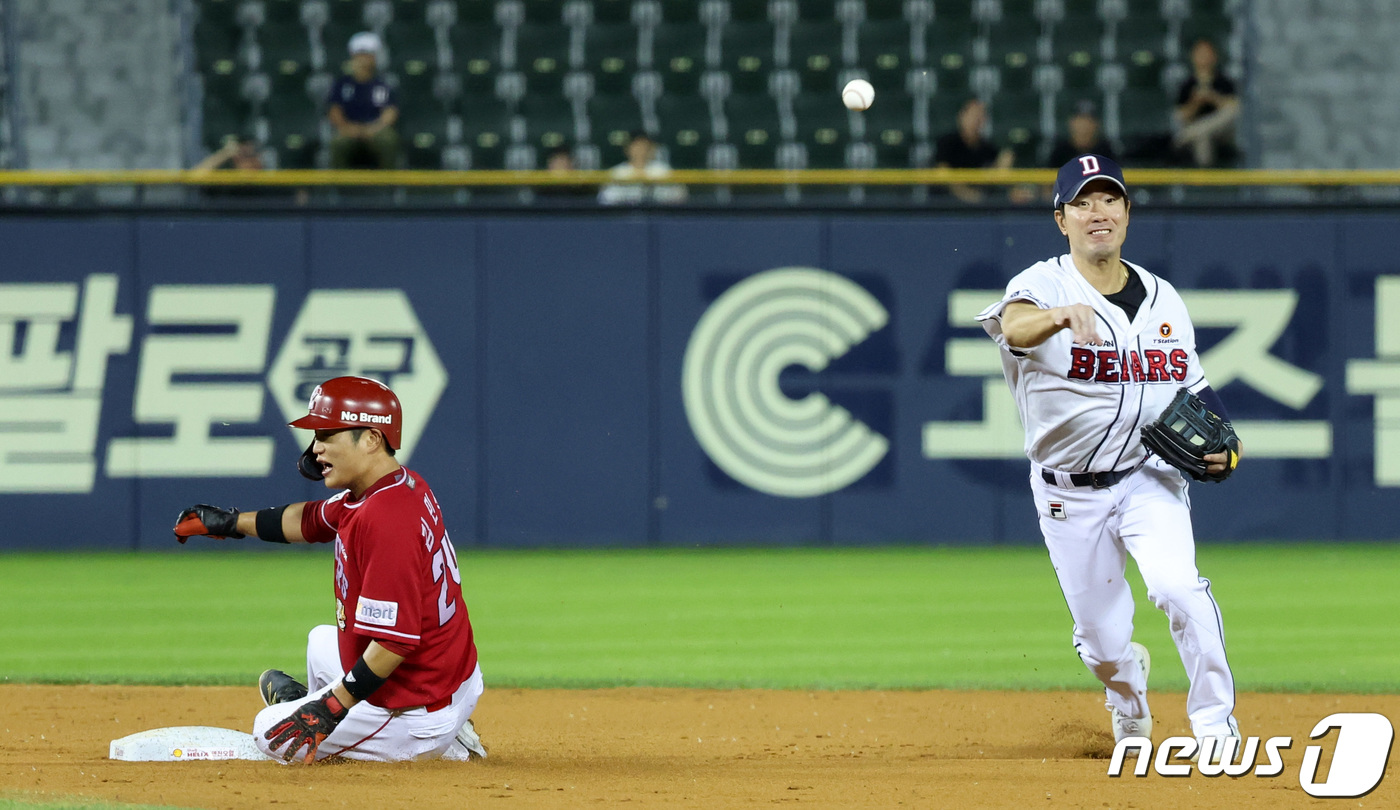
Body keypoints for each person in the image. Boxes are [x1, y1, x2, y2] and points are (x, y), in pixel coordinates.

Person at [975, 155, 1242, 759]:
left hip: (1151, 477)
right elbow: (1013, 329)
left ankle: (1214, 727)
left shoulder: (1163, 296)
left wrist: (1227, 435)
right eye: (1083, 202)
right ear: (1061, 219)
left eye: (1110, 200)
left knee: (1179, 588)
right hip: (1068, 493)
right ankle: (1128, 698)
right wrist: (1056, 318)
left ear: (1126, 212)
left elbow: (1192, 384)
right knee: (1102, 643)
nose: (1099, 212)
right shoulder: (1042, 284)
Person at [173, 376, 485, 764]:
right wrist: (231, 523)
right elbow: (308, 520)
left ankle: (446, 746)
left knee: (269, 732)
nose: (315, 449)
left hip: (415, 708)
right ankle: (442, 727)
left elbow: (394, 644)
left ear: (371, 438)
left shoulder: (387, 521)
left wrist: (330, 709)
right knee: (322, 640)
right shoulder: (393, 487)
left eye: (327, 434)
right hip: (448, 676)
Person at [934, 98, 1029, 204]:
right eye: (972, 116)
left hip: (979, 209)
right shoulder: (947, 142)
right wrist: (967, 194)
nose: (976, 121)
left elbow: (996, 176)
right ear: (962, 116)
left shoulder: (987, 147)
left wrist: (1003, 169)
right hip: (944, 204)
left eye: (980, 117)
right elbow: (943, 173)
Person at [327, 32, 401, 170]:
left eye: (367, 54)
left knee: (388, 140)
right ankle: (340, 187)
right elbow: (334, 111)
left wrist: (373, 129)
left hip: (376, 129)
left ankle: (388, 185)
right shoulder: (343, 84)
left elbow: (390, 112)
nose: (363, 59)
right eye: (359, 54)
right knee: (338, 143)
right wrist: (347, 128)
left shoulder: (382, 84)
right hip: (349, 128)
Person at [1173, 38, 1239, 167]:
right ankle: (1206, 181)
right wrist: (1196, 102)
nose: (1204, 58)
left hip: (1223, 133)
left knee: (1231, 111)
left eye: (1207, 54)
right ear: (1193, 57)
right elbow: (1181, 115)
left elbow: (1233, 110)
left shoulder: (1224, 81)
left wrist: (1213, 97)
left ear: (1214, 57)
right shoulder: (1187, 84)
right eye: (1200, 54)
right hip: (1199, 134)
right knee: (1203, 136)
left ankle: (1190, 134)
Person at [597, 131, 687, 205]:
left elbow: (680, 196)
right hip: (625, 220)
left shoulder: (663, 171)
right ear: (627, 149)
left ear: (652, 150)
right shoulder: (617, 173)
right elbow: (606, 201)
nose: (641, 150)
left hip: (658, 218)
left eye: (645, 147)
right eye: (637, 146)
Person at [1046, 101, 1117, 169]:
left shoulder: (1106, 151)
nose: (1084, 126)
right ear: (1071, 123)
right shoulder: (1060, 152)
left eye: (1089, 120)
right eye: (1080, 120)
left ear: (1097, 124)